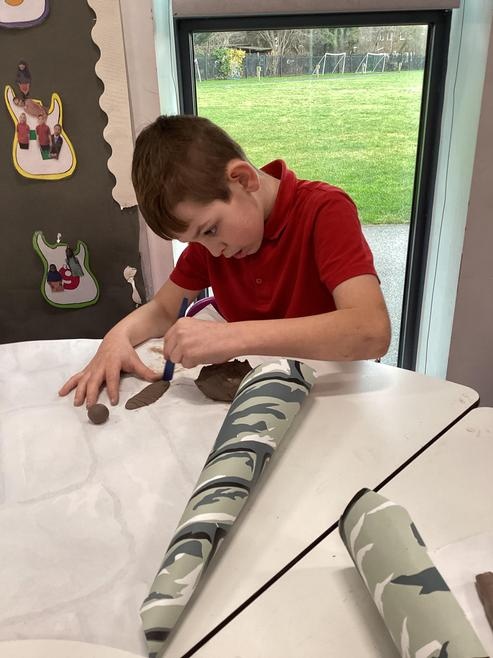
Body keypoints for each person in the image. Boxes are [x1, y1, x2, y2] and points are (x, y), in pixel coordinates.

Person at [60, 115, 390, 407]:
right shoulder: (213, 245)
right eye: (195, 241)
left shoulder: (325, 212)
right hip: (260, 394)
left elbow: (372, 331)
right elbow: (163, 309)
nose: (213, 251)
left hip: (334, 396)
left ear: (243, 179)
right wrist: (115, 339)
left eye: (210, 230)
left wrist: (231, 337)